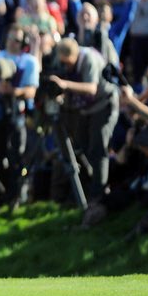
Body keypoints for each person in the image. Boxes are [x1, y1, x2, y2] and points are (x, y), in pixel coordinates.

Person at [48, 38, 120, 205]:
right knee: (82, 146)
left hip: (104, 104)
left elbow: (91, 88)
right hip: (86, 109)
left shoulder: (89, 59)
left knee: (98, 148)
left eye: (68, 63)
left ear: (74, 55)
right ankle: (87, 190)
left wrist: (64, 84)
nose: (66, 67)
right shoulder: (67, 58)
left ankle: (98, 197)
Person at [0, 24, 39, 208]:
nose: (14, 43)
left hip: (17, 113)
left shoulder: (29, 61)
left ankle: (15, 196)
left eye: (18, 40)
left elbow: (31, 90)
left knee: (16, 155)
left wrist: (15, 91)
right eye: (11, 38)